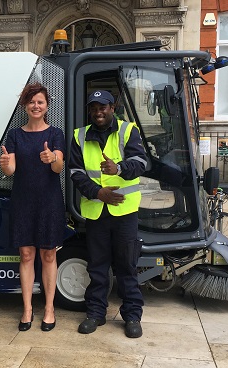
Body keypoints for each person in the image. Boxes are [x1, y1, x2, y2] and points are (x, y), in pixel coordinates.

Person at [68, 90, 148, 338]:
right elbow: (75, 173)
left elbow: (142, 163)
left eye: (103, 107)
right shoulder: (80, 136)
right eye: (94, 108)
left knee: (127, 266)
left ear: (112, 108)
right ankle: (95, 313)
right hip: (96, 212)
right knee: (97, 267)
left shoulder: (127, 131)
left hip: (124, 212)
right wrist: (97, 192)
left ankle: (132, 316)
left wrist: (120, 167)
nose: (98, 112)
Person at [0, 82, 65, 332]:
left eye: (40, 101)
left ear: (47, 106)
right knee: (26, 255)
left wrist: (53, 158)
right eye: (31, 101)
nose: (36, 106)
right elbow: (10, 170)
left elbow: (59, 168)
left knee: (48, 254)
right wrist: (5, 163)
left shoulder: (55, 133)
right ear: (25, 106)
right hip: (23, 201)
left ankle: (49, 308)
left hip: (49, 201)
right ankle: (27, 308)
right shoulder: (15, 135)